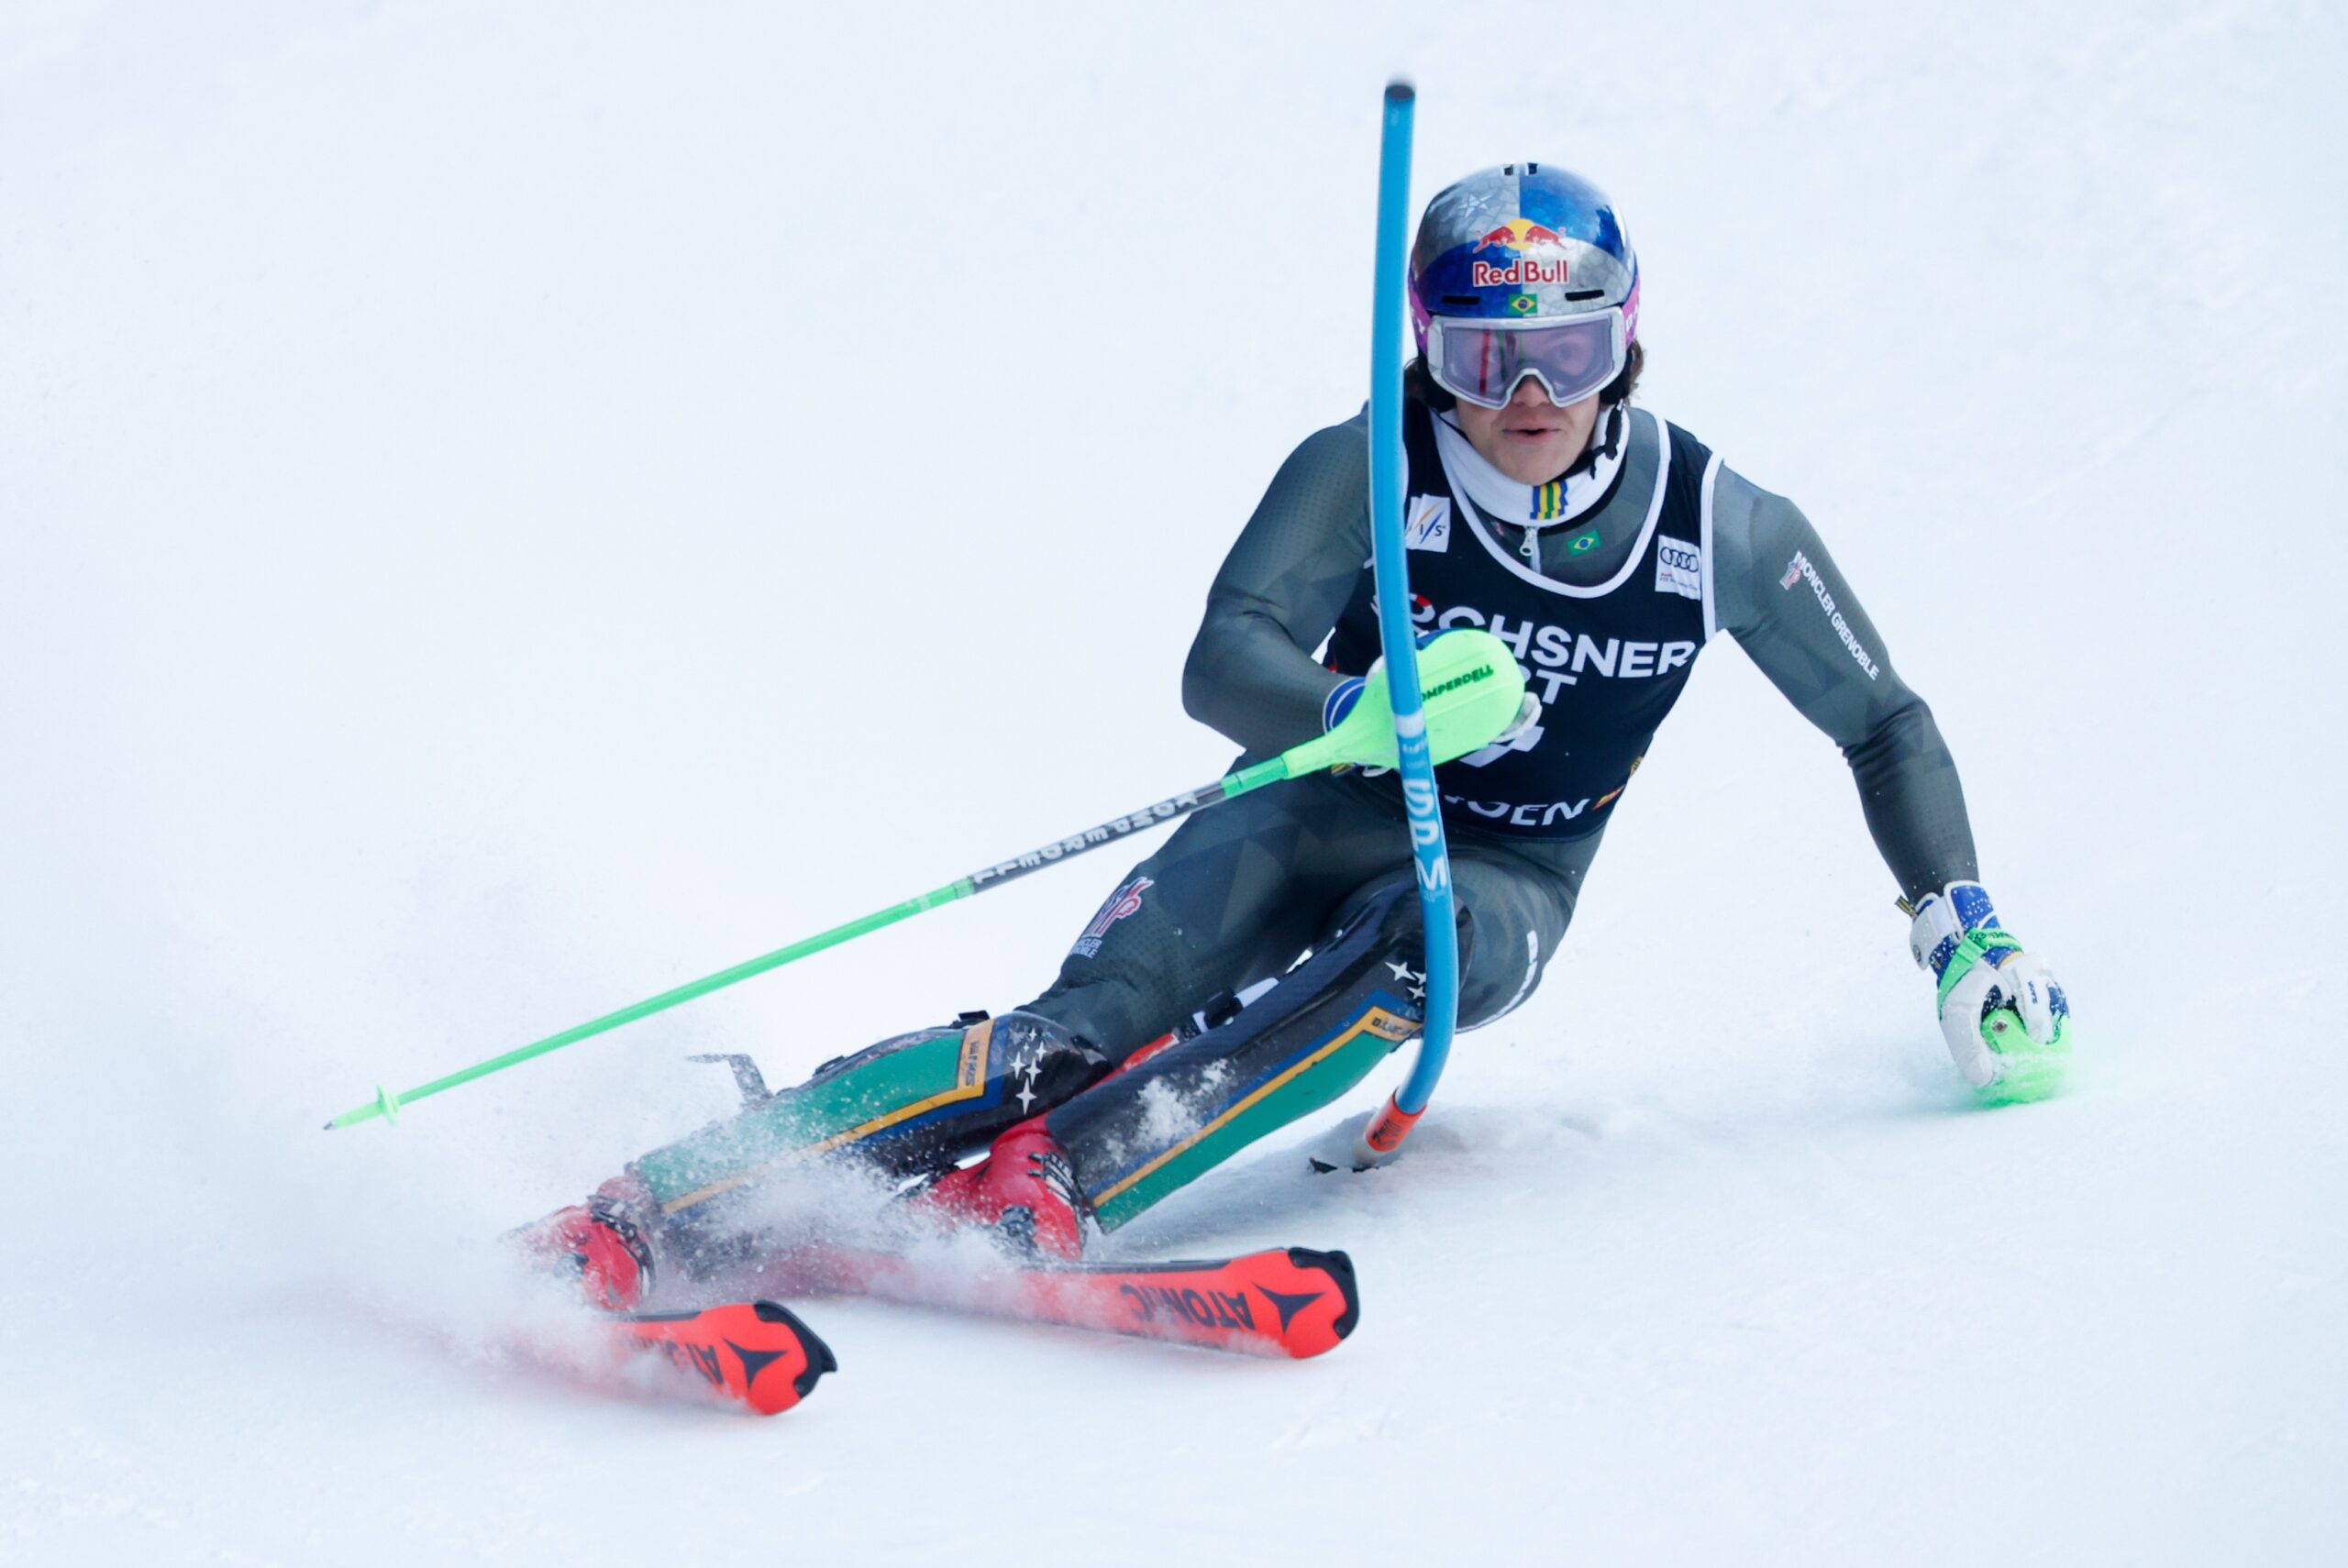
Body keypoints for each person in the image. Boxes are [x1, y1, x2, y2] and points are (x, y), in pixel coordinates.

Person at [520, 162, 2071, 1311]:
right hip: (1310, 803)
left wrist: (1963, 929)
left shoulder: (1722, 527)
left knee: (1425, 942)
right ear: (1429, 351)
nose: (1527, 395)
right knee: (1080, 1028)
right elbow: (1221, 658)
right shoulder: (1371, 465)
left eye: (1569, 352)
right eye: (1482, 357)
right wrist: (1356, 712)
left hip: (1508, 873)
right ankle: (649, 1206)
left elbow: (1886, 718)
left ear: (1629, 347)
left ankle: (1062, 1179)